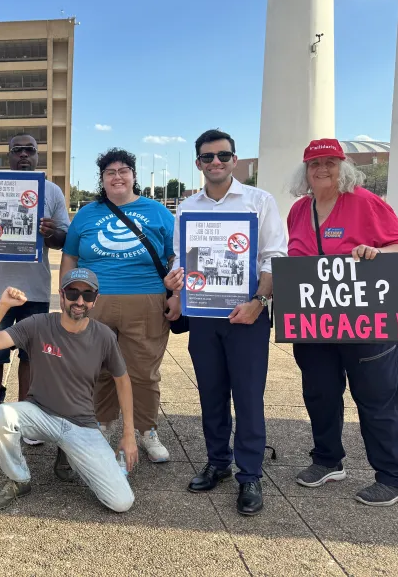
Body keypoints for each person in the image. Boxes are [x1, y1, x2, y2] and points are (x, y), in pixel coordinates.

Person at [285, 138, 398, 506]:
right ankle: (327, 460)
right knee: (320, 393)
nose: (322, 169)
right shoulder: (298, 210)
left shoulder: (364, 201)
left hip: (367, 320)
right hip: (315, 323)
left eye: (330, 162)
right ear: (305, 172)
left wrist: (376, 252)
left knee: (375, 399)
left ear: (344, 167)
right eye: (314, 164)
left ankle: (395, 478)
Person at [165, 129, 286, 516]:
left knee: (248, 397)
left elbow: (273, 257)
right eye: (207, 157)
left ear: (235, 160)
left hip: (247, 315)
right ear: (198, 163)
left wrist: (259, 301)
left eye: (223, 156)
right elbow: (180, 257)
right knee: (211, 394)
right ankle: (218, 461)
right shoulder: (187, 206)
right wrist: (174, 282)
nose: (215, 162)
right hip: (203, 316)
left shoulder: (259, 201)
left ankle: (249, 473)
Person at [0, 269, 136, 512]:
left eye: (87, 294)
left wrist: (129, 434)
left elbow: (122, 381)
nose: (80, 301)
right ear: (61, 295)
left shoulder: (104, 336)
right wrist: (3, 306)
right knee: (2, 415)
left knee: (121, 502)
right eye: (73, 293)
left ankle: (67, 452)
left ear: (96, 299)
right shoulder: (38, 324)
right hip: (40, 413)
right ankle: (19, 479)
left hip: (80, 425)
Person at [61, 148, 176, 464]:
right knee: (97, 369)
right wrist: (66, 293)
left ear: (134, 175)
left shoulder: (157, 212)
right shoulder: (87, 213)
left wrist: (178, 295)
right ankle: (101, 423)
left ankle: (146, 428)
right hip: (94, 301)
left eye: (123, 170)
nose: (117, 176)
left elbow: (176, 255)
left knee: (143, 371)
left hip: (147, 301)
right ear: (102, 180)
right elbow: (70, 254)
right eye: (110, 172)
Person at [0, 134, 70, 453]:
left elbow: (63, 239)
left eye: (30, 150)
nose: (23, 154)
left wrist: (51, 232)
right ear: (8, 155)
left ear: (38, 155)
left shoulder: (50, 191)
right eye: (17, 150)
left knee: (31, 356)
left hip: (35, 287)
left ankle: (26, 419)